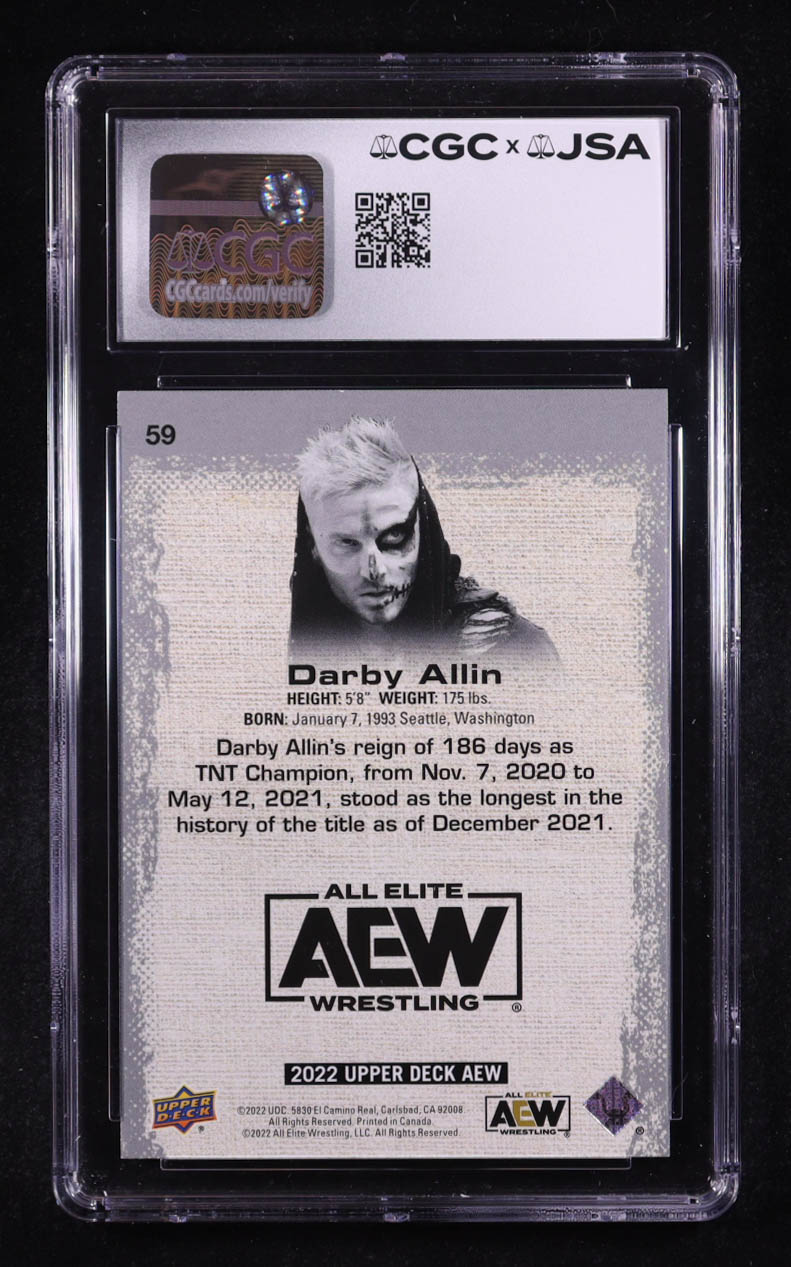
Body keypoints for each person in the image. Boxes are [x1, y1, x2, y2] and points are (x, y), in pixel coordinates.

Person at [289, 416, 557, 662]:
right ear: (313, 546)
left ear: (424, 529)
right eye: (347, 543)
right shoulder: (308, 642)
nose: (374, 571)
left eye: (394, 536)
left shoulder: (511, 649)